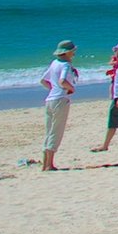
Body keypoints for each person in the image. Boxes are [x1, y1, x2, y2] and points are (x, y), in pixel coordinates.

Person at [39, 40, 80, 171]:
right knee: (56, 132)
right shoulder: (66, 65)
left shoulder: (54, 63)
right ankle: (49, 164)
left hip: (50, 99)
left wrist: (53, 89)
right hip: (61, 99)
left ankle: (45, 163)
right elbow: (63, 81)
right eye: (73, 51)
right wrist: (71, 89)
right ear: (68, 53)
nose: (74, 54)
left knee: (49, 131)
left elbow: (43, 81)